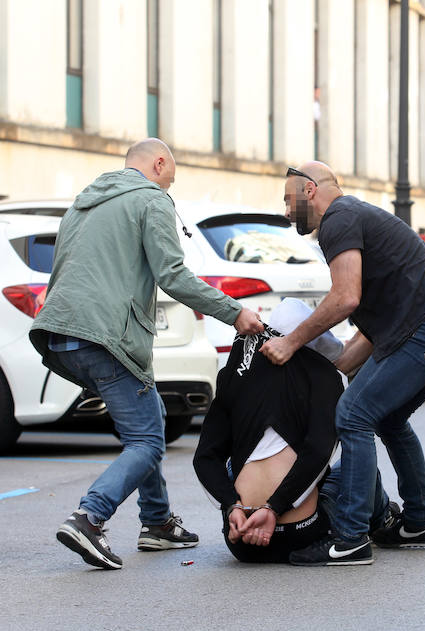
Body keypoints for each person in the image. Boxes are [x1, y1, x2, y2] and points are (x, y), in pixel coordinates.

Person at [30, 138, 264, 570]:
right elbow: (172, 275)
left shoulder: (85, 202)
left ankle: (157, 523)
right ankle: (90, 517)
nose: (168, 189)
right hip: (108, 336)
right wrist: (235, 313)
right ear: (159, 164)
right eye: (169, 180)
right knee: (147, 440)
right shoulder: (150, 200)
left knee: (149, 419)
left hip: (62, 332)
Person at [259, 162, 425, 566]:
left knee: (354, 416)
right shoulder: (358, 216)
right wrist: (324, 364)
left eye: (289, 201)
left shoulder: (338, 218)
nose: (287, 212)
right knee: (388, 419)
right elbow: (354, 350)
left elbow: (345, 297)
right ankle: (421, 522)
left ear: (310, 191)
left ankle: (350, 537)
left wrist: (290, 342)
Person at [193, 299, 397, 563]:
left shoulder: (236, 375)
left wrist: (231, 505)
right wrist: (273, 509)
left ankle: (242, 506)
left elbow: (205, 458)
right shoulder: (325, 379)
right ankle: (384, 519)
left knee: (238, 463)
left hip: (241, 538)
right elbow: (317, 454)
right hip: (302, 534)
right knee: (357, 462)